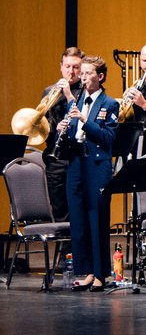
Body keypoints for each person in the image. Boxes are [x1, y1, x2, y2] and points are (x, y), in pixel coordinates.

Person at [57, 55, 118, 291]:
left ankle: (101, 273)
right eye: (81, 73)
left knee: (97, 219)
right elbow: (72, 134)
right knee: (79, 219)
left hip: (97, 165)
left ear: (100, 77)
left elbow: (108, 138)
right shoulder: (77, 101)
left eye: (88, 73)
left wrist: (84, 120)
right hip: (76, 164)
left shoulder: (109, 103)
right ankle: (86, 271)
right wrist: (62, 130)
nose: (82, 77)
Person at [40, 47, 84, 220]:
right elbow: (43, 126)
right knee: (59, 210)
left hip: (77, 156)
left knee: (79, 210)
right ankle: (63, 239)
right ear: (61, 67)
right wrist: (55, 128)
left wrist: (68, 94)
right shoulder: (49, 91)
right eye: (67, 66)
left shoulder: (87, 90)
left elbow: (86, 120)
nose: (71, 71)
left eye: (75, 67)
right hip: (55, 158)